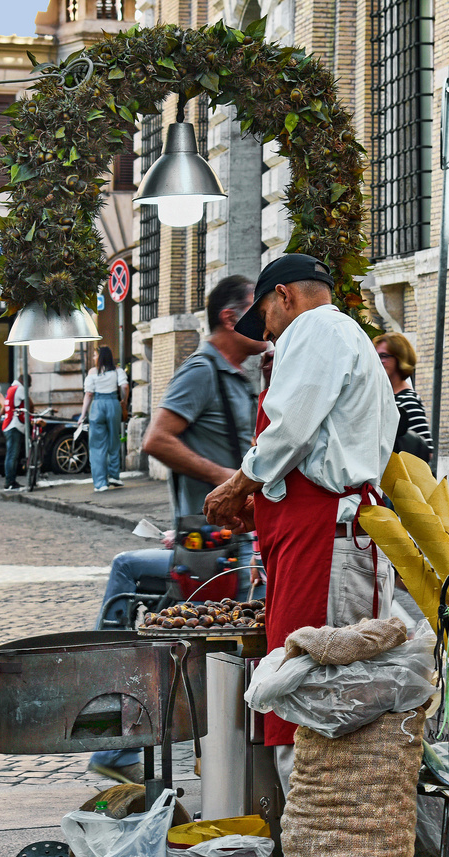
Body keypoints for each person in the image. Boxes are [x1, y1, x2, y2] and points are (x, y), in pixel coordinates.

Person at [204, 254, 397, 797]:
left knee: (308, 686)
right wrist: (264, 496)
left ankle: (319, 839)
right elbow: (312, 442)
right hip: (316, 530)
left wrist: (241, 485)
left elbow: (290, 428)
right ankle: (320, 833)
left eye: (264, 313)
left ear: (285, 295)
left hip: (324, 535)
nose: (264, 332)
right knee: (311, 680)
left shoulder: (318, 327)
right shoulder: (343, 337)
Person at [93, 276, 267, 785]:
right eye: (261, 311)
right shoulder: (201, 371)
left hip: (234, 543)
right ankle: (118, 743)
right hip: (203, 545)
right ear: (233, 318)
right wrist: (230, 483)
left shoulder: (241, 375)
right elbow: (156, 439)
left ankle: (208, 763)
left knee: (212, 660)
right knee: (184, 650)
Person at [376, 332, 432, 463]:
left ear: (400, 359)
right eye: (376, 356)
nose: (379, 361)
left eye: (383, 356)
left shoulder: (408, 400)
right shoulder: (387, 397)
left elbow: (424, 449)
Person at [80, 347, 128, 491]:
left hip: (98, 404)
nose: (94, 358)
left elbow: (89, 394)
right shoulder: (117, 371)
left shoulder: (92, 372)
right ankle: (114, 475)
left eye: (95, 355)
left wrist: (83, 414)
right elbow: (124, 386)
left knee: (97, 445)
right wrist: (123, 401)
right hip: (113, 403)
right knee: (114, 440)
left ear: (100, 357)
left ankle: (100, 483)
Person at [2, 374, 28, 490]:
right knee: (12, 455)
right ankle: (10, 481)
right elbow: (29, 403)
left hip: (8, 425)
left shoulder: (11, 389)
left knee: (10, 455)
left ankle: (10, 480)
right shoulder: (20, 389)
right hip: (14, 426)